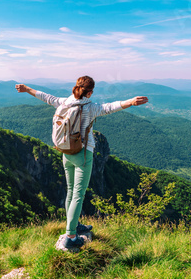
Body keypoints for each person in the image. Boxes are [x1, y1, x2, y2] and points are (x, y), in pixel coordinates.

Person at [15, 76, 148, 249]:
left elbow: (46, 97)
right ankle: (70, 236)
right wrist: (131, 102)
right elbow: (109, 107)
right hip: (83, 154)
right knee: (78, 194)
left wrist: (27, 89)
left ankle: (74, 225)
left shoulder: (64, 103)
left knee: (71, 191)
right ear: (90, 92)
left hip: (65, 152)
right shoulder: (90, 107)